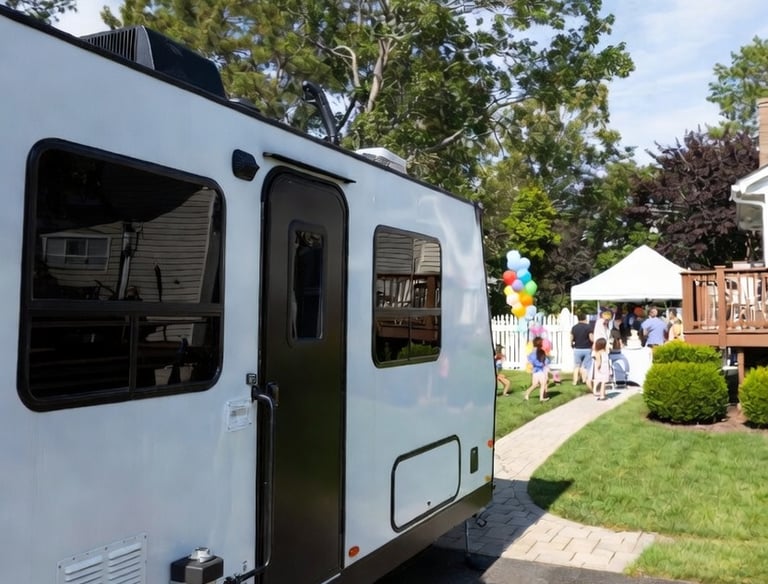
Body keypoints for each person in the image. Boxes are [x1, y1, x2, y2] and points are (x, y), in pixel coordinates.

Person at [523, 337, 550, 402]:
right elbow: (545, 361)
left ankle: (527, 394)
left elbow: (530, 361)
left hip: (535, 371)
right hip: (540, 370)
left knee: (535, 384)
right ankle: (540, 397)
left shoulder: (532, 352)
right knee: (542, 383)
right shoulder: (541, 352)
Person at [570, 313, 592, 385]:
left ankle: (575, 381)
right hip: (587, 349)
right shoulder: (588, 327)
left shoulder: (574, 327)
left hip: (577, 349)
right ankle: (584, 380)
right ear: (585, 318)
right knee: (585, 366)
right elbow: (591, 338)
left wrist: (571, 345)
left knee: (576, 366)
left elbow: (571, 338)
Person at [608, 317, 630, 386]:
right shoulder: (615, 331)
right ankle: (624, 376)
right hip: (617, 352)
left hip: (611, 353)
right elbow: (619, 341)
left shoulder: (612, 331)